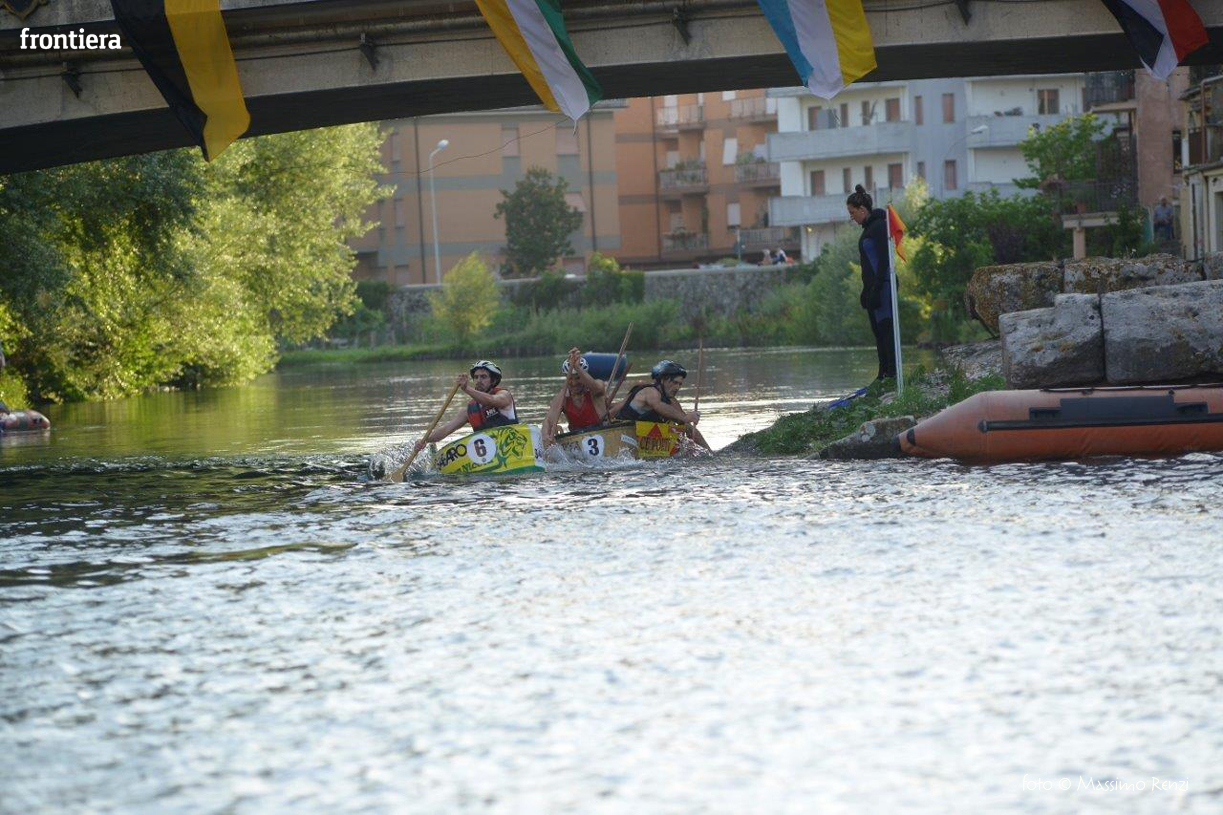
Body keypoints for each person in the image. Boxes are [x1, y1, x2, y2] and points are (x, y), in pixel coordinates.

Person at [847, 185, 897, 384]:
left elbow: (884, 260)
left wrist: (877, 288)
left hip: (883, 286)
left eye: (852, 213)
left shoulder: (879, 226)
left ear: (862, 210)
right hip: (873, 288)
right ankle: (882, 372)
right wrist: (866, 290)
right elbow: (867, 265)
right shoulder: (868, 228)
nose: (851, 217)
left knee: (886, 329)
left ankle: (892, 374)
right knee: (877, 331)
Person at [411, 360, 518, 454]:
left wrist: (466, 389)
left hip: (512, 447)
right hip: (489, 454)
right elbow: (446, 429)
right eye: (476, 377)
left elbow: (491, 400)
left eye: (483, 377)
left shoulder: (504, 395)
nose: (478, 380)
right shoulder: (468, 411)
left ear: (493, 380)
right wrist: (425, 440)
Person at [613, 359, 710, 450]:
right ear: (663, 380)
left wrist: (709, 452)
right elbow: (658, 406)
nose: (677, 388)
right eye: (675, 382)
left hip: (645, 442)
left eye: (680, 384)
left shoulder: (672, 401)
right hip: (622, 435)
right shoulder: (649, 391)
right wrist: (684, 417)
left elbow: (687, 426)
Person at [541, 348, 609, 444]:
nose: (574, 383)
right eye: (570, 379)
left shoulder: (596, 388)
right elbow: (548, 420)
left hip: (604, 435)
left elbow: (598, 389)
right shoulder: (562, 397)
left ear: (584, 375)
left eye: (578, 378)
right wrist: (545, 436)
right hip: (577, 439)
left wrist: (577, 367)